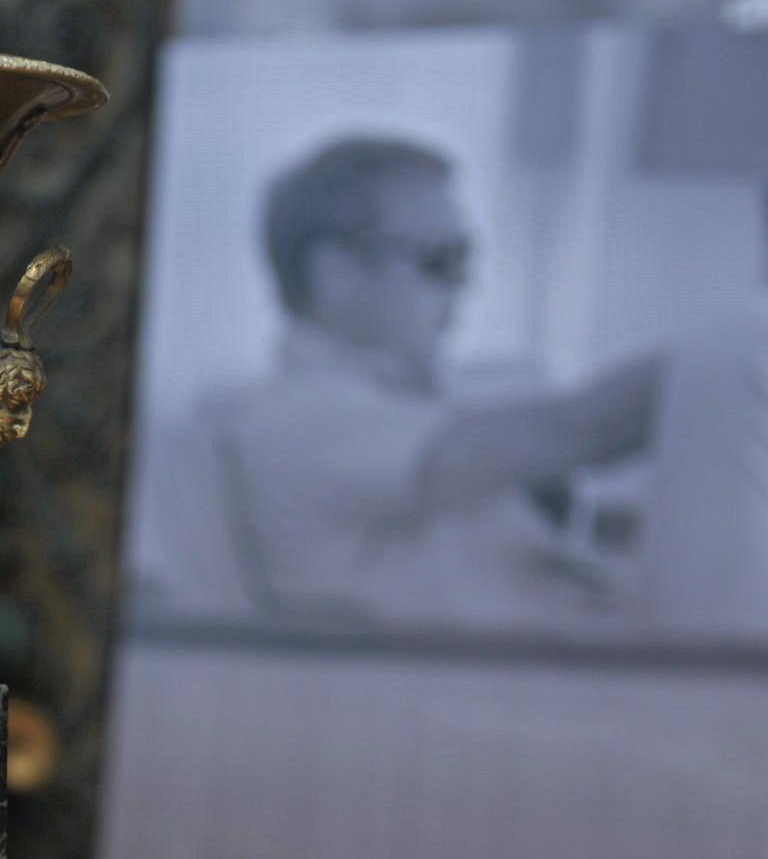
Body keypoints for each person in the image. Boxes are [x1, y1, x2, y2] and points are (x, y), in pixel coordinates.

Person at [215, 135, 659, 627]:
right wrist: (717, 363)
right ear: (335, 271)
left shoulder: (424, 394)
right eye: (439, 259)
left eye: (466, 256)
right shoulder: (295, 419)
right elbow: (578, 430)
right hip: (464, 689)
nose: (466, 282)